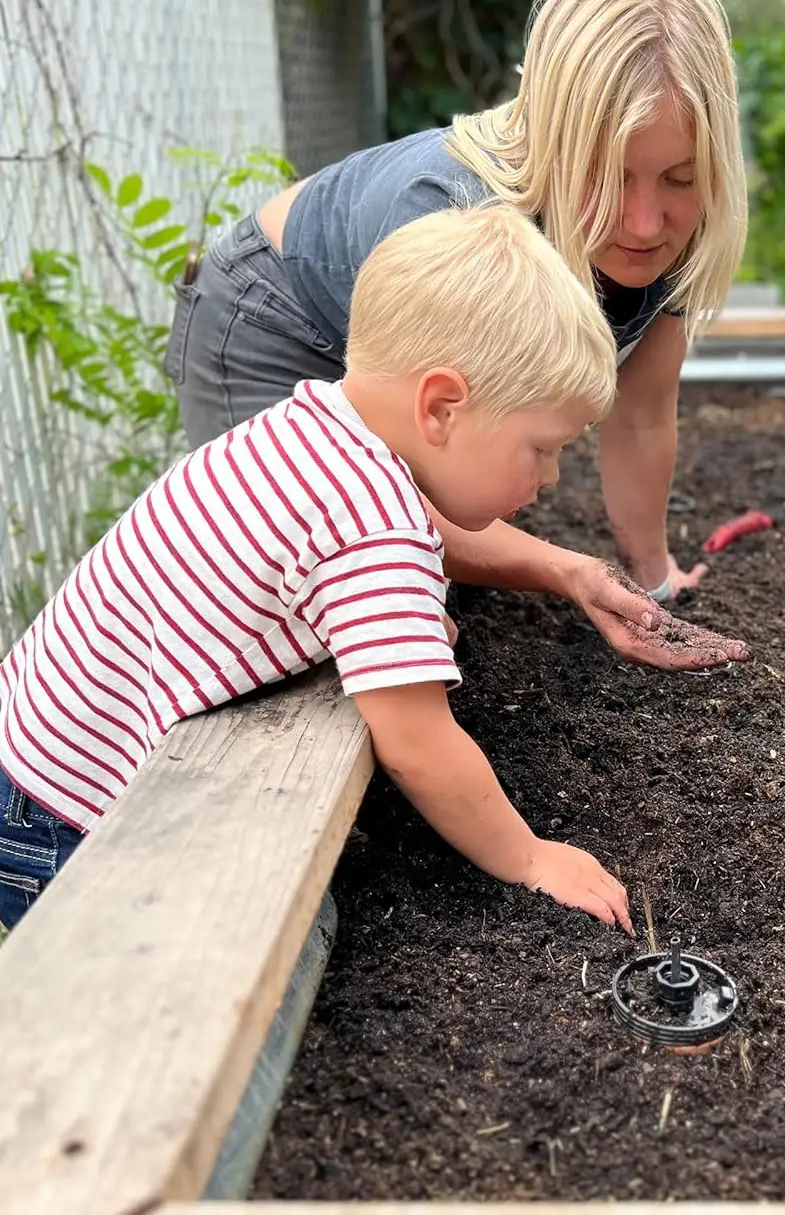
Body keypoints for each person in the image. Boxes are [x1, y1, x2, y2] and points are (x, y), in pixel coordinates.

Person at [0, 206, 637, 935]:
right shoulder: (370, 521)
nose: (552, 476)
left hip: (32, 732)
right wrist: (529, 858)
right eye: (542, 447)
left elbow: (395, 552)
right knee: (126, 983)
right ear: (441, 408)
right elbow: (418, 744)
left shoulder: (315, 429)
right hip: (71, 808)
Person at [167, 0, 749, 674]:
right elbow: (396, 489)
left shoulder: (679, 231)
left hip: (400, 380)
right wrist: (567, 570)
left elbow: (641, 413)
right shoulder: (456, 218)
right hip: (275, 326)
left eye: (679, 178)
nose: (643, 222)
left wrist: (653, 582)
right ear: (556, 141)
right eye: (606, 175)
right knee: (289, 607)